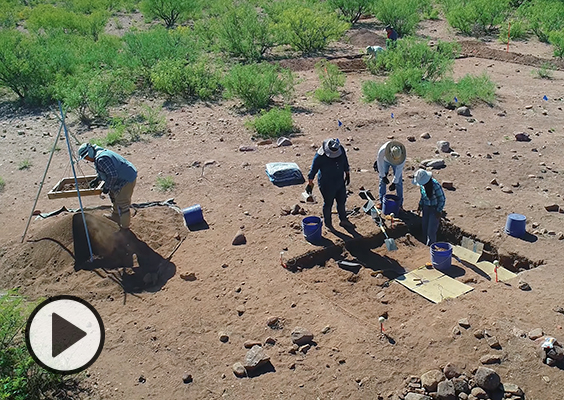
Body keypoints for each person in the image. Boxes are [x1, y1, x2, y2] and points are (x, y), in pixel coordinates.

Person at [78, 143, 137, 230]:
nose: (87, 160)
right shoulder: (98, 155)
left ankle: (125, 228)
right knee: (113, 196)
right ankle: (115, 216)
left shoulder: (102, 159)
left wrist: (107, 187)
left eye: (86, 157)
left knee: (122, 203)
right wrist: (98, 179)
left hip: (126, 178)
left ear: (90, 152)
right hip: (119, 177)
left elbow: (113, 175)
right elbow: (104, 171)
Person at [306, 138, 353, 230]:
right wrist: (310, 183)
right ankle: (328, 223)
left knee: (341, 201)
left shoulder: (340, 149)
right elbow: (313, 169)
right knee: (328, 203)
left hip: (339, 180)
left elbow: (345, 161)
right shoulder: (320, 156)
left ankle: (343, 220)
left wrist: (347, 173)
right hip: (326, 183)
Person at [413, 169, 446, 246]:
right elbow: (423, 197)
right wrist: (420, 205)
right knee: (424, 227)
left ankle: (430, 247)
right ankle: (425, 245)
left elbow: (442, 199)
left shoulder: (435, 185)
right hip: (426, 207)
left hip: (434, 209)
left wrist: (439, 210)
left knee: (431, 230)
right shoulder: (422, 186)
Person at [373, 140, 406, 211]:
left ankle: (400, 204)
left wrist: (394, 182)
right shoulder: (382, 150)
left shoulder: (402, 156)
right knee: (382, 181)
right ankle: (382, 202)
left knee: (399, 183)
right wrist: (383, 175)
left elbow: (399, 170)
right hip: (385, 161)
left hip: (397, 163)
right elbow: (380, 162)